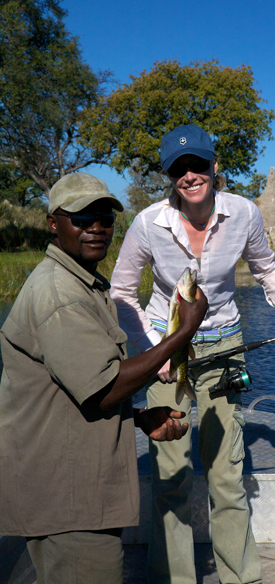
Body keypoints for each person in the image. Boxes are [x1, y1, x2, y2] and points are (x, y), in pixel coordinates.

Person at [110, 124, 275, 584]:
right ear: (169, 176)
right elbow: (120, 292)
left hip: (225, 345)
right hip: (166, 347)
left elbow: (268, 271)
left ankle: (240, 577)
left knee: (226, 474)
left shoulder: (245, 213)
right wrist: (152, 352)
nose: (190, 175)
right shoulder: (148, 223)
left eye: (198, 164)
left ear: (215, 166)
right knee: (171, 475)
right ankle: (173, 578)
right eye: (179, 168)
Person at [0, 172, 208, 584]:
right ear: (53, 223)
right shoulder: (60, 294)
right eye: (80, 218)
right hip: (69, 499)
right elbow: (105, 386)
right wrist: (182, 332)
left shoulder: (83, 283)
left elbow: (69, 392)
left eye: (106, 218)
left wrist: (136, 418)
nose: (96, 227)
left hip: (74, 488)